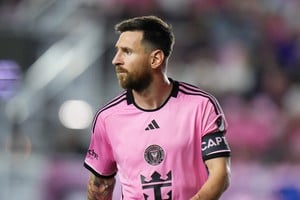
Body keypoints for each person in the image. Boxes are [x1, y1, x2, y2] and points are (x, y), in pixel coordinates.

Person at [84, 15, 231, 200]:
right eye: (117, 51)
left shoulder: (200, 106)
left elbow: (220, 175)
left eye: (127, 52)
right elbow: (100, 184)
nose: (116, 60)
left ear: (156, 59)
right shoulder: (107, 117)